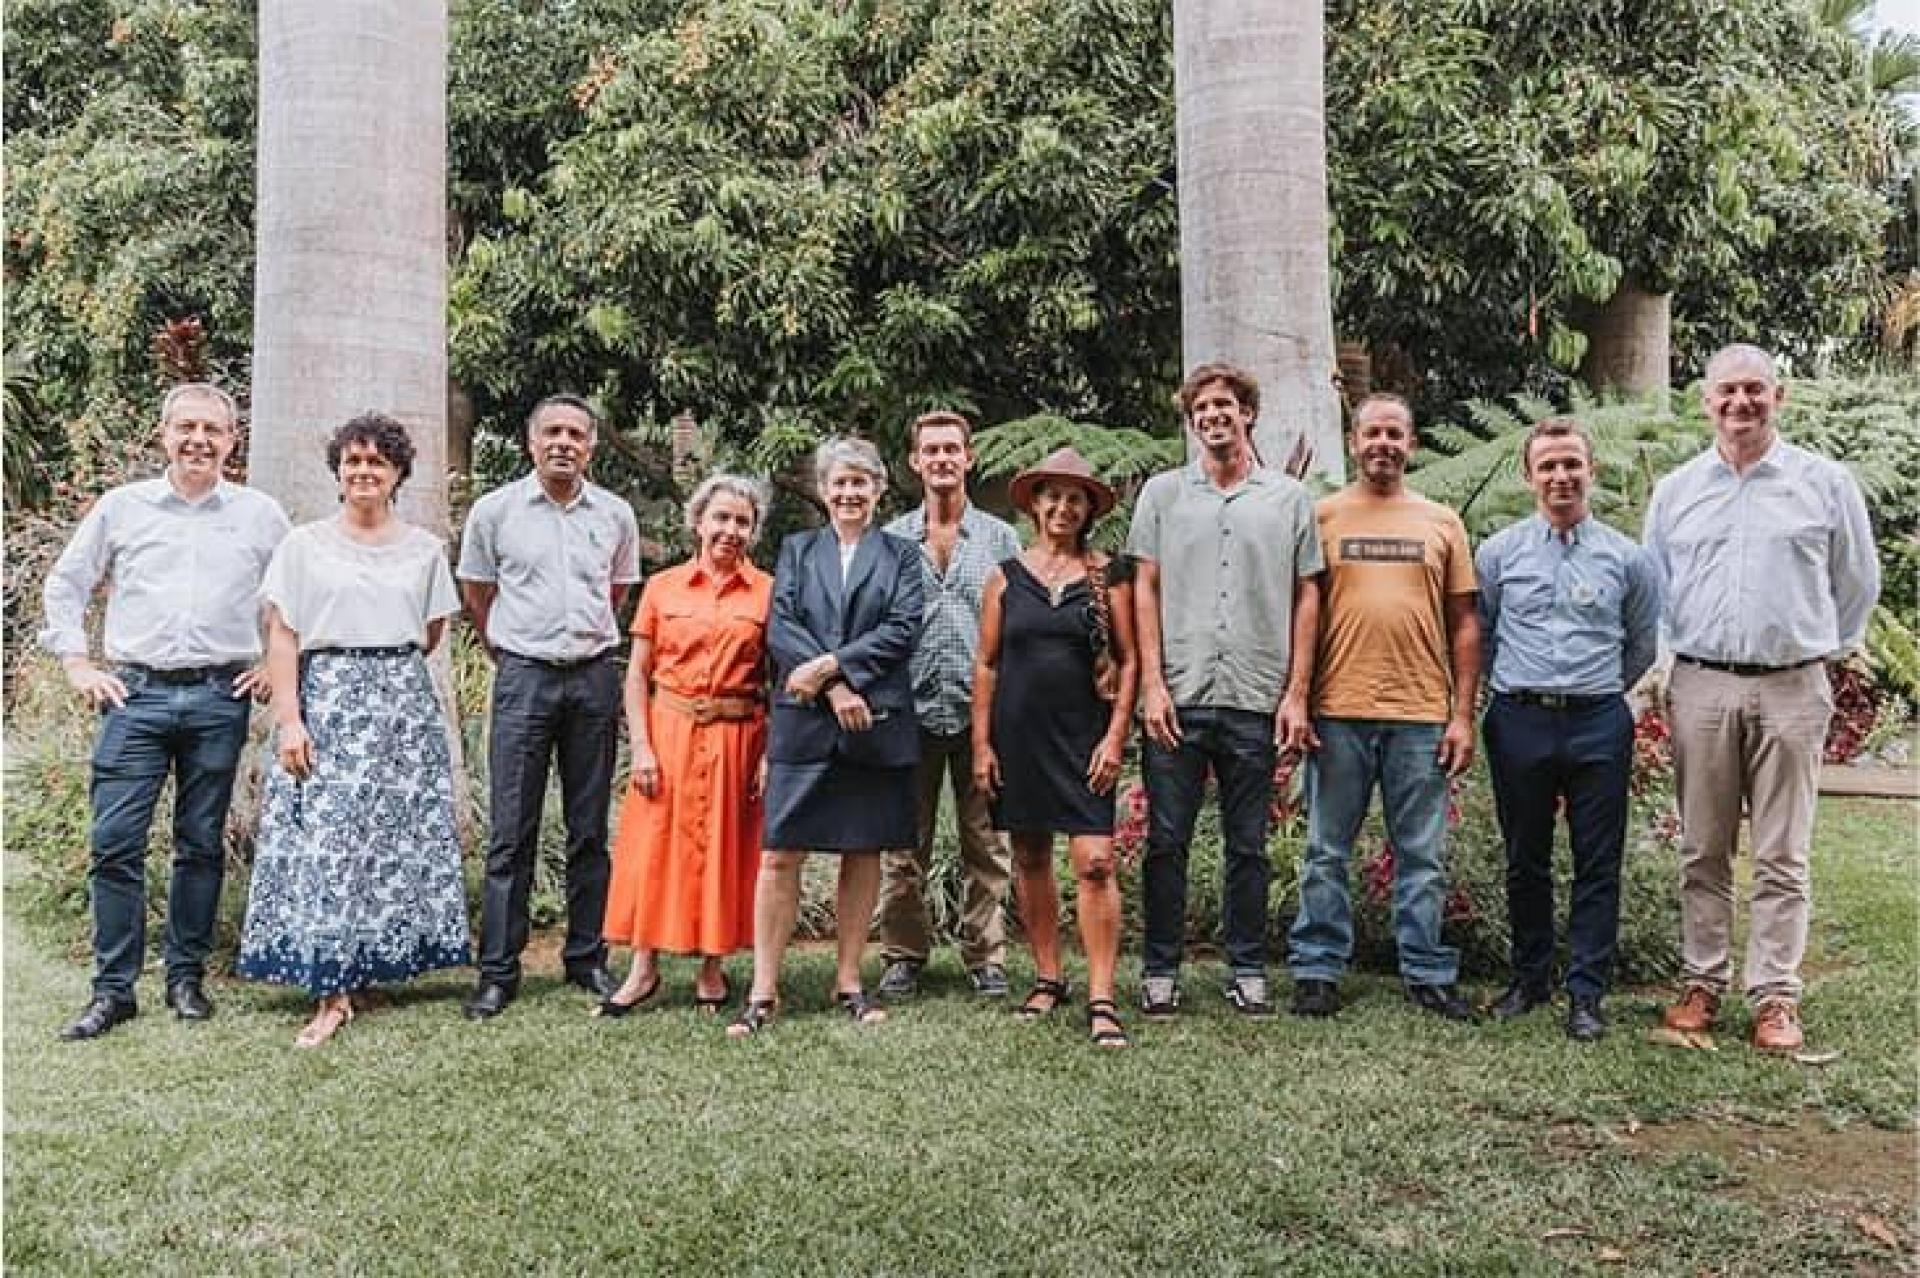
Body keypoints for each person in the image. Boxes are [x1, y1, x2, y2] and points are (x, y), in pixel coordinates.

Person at [1644, 344, 1879, 1053]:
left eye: (1754, 390)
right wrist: (1662, 673)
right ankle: (1702, 980)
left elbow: (1857, 583)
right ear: (1705, 401)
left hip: (1791, 686)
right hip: (1702, 684)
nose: (1739, 403)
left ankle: (1775, 995)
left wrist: (1817, 650)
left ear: (1779, 396)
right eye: (1726, 392)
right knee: (1702, 847)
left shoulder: (1823, 484)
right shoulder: (1678, 491)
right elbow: (1654, 592)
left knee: (1783, 851)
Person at [41, 383, 290, 1041]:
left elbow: (297, 595)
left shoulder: (260, 515)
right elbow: (65, 584)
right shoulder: (123, 509)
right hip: (136, 695)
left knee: (200, 844)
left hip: (219, 697)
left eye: (213, 429)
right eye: (187, 428)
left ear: (233, 440)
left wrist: (274, 663)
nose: (199, 440)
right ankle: (113, 990)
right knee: (114, 844)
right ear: (164, 434)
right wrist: (76, 663)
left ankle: (186, 979)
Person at [236, 414, 470, 1048]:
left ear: (398, 474)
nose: (364, 471)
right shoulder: (304, 546)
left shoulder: (423, 549)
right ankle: (330, 992)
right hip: (329, 700)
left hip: (400, 708)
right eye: (353, 461)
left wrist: (389, 686)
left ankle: (368, 968)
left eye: (377, 462)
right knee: (331, 843)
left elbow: (429, 633)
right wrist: (290, 719)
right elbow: (283, 635)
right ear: (338, 471)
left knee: (386, 846)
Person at [1128, 362, 1323, 1018]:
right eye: (1202, 409)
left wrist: (1296, 693)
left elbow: (1307, 594)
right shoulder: (1161, 494)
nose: (1214, 416)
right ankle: (1160, 968)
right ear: (1191, 421)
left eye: (1225, 406)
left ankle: (1247, 967)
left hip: (1255, 695)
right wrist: (1151, 683)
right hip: (1178, 694)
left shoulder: (1288, 499)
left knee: (1248, 844)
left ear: (1248, 415)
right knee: (1166, 839)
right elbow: (1144, 588)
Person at [1287, 392, 1481, 1022]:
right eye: (1372, 433)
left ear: (1412, 444)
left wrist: (1460, 714)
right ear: (1354, 441)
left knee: (1421, 854)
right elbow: (1302, 610)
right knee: (1325, 850)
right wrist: (1298, 698)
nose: (1383, 444)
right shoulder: (1322, 515)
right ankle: (1318, 969)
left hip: (1420, 714)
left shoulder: (1441, 521)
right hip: (1336, 710)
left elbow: (1465, 623)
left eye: (1395, 434)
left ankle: (1425, 970)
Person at [729, 438, 924, 1035]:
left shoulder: (901, 557)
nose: (849, 493)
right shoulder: (796, 550)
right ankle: (764, 990)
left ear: (879, 491)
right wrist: (832, 687)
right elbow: (782, 625)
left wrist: (835, 665)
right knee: (780, 851)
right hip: (808, 719)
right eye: (839, 483)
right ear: (822, 489)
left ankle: (850, 980)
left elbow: (902, 628)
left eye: (861, 483)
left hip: (876, 723)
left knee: (863, 851)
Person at [1476, 418, 1660, 1041]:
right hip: (1519, 717)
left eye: (1571, 464)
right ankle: (1529, 980)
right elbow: (1488, 632)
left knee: (1597, 861)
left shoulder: (1628, 558)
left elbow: (1640, 645)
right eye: (1548, 466)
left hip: (1597, 721)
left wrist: (1595, 690)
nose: (1561, 477)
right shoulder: (1498, 554)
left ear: (1592, 471)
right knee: (1525, 857)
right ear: (1529, 476)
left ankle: (1586, 992)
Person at [458, 394, 641, 1019]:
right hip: (525, 680)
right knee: (511, 832)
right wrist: (508, 651)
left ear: (590, 445)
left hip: (592, 679)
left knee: (591, 828)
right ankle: (499, 972)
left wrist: (582, 641)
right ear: (530, 442)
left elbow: (616, 590)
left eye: (576, 434)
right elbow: (478, 592)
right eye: (552, 433)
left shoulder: (614, 515)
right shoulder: (495, 512)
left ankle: (587, 957)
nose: (564, 442)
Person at [973, 448, 1139, 1047]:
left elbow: (1130, 661)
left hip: (1083, 738)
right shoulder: (1005, 576)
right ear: (1035, 504)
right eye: (1053, 495)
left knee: (1095, 860)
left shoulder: (1108, 574)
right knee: (1031, 857)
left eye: (1076, 497)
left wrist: (1116, 736)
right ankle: (1048, 977)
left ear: (1089, 508)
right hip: (1018, 737)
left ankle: (1102, 996)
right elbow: (987, 664)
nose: (1063, 506)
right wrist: (981, 745)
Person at [599, 474, 772, 1015]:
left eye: (742, 521)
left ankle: (712, 968)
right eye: (720, 518)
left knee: (726, 847)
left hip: (737, 734)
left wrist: (768, 754)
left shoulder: (768, 593)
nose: (730, 530)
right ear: (698, 522)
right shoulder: (663, 587)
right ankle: (642, 968)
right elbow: (637, 675)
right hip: (670, 732)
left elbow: (778, 677)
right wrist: (643, 749)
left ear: (754, 531)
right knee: (653, 847)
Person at [877, 411, 1023, 1001]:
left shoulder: (1001, 539)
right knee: (901, 843)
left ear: (969, 459)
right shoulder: (890, 539)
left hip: (979, 713)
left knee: (986, 841)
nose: (941, 459)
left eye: (951, 450)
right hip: (907, 710)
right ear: (915, 463)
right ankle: (903, 954)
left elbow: (1017, 623)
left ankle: (985, 956)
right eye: (930, 450)